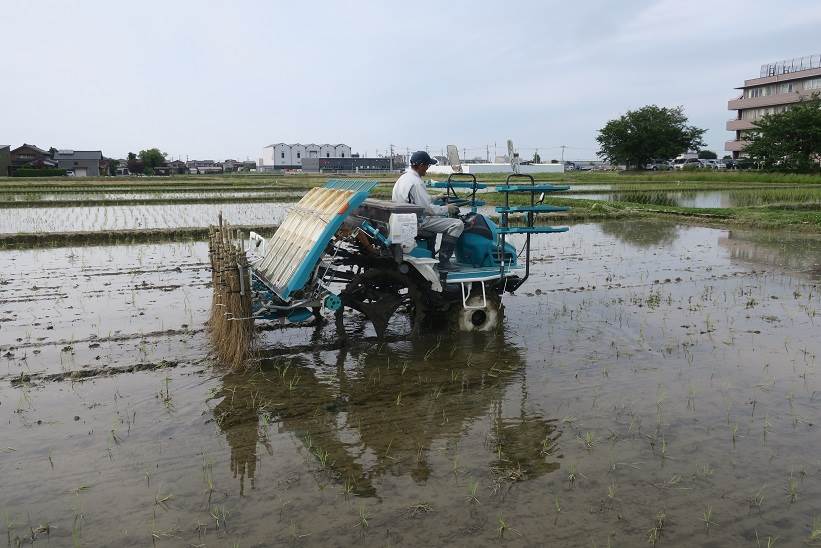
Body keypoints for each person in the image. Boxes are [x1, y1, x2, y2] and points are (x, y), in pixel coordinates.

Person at [392, 151, 463, 268]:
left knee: (438, 218)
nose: (427, 169)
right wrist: (447, 208)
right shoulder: (417, 182)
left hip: (403, 218)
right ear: (420, 165)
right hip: (417, 222)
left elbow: (416, 200)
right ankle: (444, 261)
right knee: (457, 224)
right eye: (427, 166)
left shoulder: (404, 178)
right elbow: (427, 209)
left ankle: (432, 256)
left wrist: (436, 197)